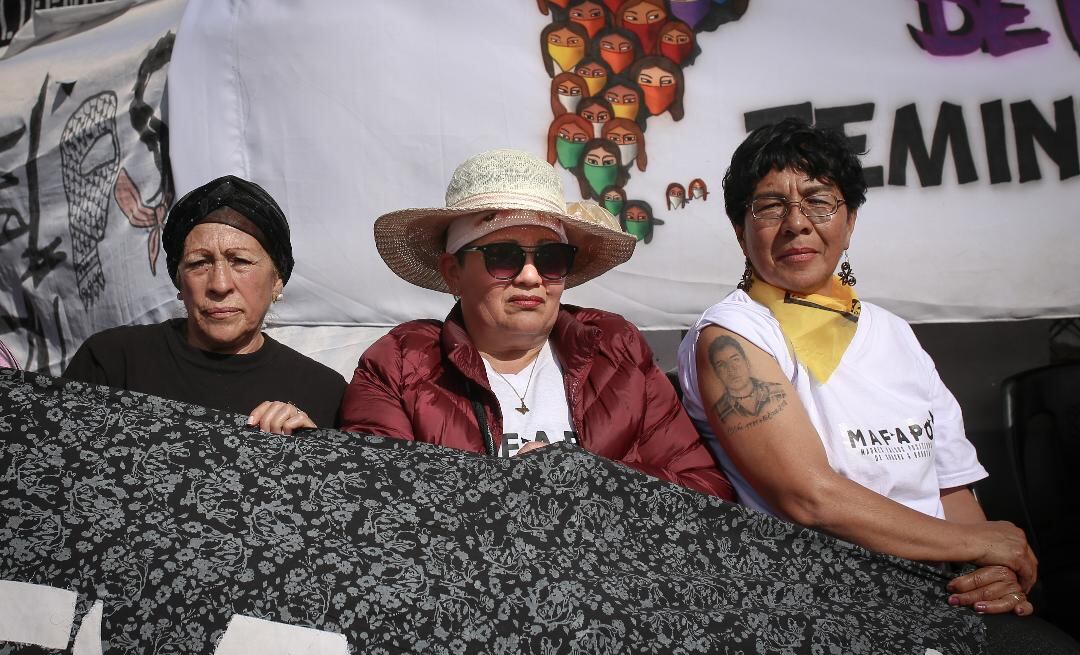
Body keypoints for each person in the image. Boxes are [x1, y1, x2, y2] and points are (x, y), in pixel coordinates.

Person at [677, 118, 1080, 655]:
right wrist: (975, 542)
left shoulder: (895, 334)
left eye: (819, 200)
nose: (796, 223)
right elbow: (807, 496)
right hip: (817, 603)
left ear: (851, 219)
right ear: (740, 231)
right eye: (769, 207)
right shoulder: (732, 337)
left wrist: (986, 570)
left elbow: (950, 489)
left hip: (943, 593)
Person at [340, 149, 732, 500]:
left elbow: (707, 490)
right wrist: (506, 486)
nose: (530, 277)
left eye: (551, 258)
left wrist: (589, 480)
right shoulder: (400, 362)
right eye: (503, 255)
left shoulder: (617, 348)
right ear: (453, 272)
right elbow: (374, 502)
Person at [64, 175, 345, 434]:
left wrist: (313, 451)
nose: (220, 285)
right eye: (199, 263)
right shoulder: (112, 362)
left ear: (277, 280)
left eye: (241, 262)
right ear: (179, 282)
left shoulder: (323, 393)